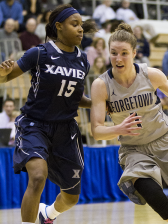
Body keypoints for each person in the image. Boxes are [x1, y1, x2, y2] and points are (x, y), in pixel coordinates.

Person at [91, 23, 168, 224]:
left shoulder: (151, 74)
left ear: (134, 53)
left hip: (165, 139)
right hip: (134, 148)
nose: (118, 58)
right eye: (113, 53)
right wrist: (118, 129)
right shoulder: (101, 85)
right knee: (152, 195)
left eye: (124, 53)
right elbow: (96, 130)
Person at [0, 4, 97, 224]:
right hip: (35, 125)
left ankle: (48, 214)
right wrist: (2, 73)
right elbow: (5, 78)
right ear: (59, 27)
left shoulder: (83, 61)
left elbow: (75, 97)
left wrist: (97, 105)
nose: (81, 29)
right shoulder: (40, 52)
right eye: (75, 24)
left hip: (66, 130)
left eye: (82, 25)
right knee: (37, 176)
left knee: (71, 197)